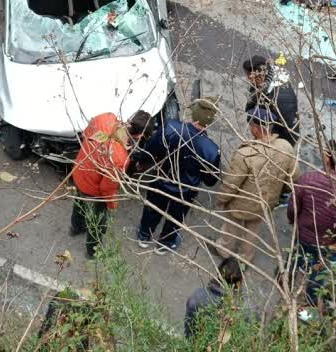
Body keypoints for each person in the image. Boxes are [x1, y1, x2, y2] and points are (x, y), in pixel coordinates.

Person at [136, 97, 222, 253]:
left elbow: (150, 150)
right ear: (210, 121)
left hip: (161, 179)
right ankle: (165, 243)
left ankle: (144, 236)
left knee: (152, 209)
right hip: (185, 190)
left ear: (194, 114)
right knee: (175, 218)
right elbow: (210, 180)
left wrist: (141, 163)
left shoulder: (170, 127)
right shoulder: (211, 149)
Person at [214, 107, 296, 262]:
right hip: (265, 202)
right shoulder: (286, 147)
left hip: (240, 204)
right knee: (253, 230)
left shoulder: (246, 154)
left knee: (231, 227)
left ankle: (224, 250)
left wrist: (221, 199)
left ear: (256, 128)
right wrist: (280, 194)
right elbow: (292, 179)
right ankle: (246, 257)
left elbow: (231, 184)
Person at [70, 111, 153, 258]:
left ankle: (76, 227)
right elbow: (106, 188)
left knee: (79, 201)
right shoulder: (120, 158)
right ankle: (92, 251)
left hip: (79, 169)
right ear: (140, 136)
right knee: (98, 220)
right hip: (93, 188)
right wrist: (112, 204)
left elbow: (86, 134)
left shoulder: (106, 118)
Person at [287, 164, 336, 270]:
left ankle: (287, 277)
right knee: (317, 269)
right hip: (326, 241)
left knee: (296, 258)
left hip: (303, 233)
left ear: (327, 156)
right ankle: (311, 285)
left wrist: (292, 220)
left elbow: (293, 207)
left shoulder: (307, 179)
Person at [242, 55, 299, 146]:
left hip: (285, 137)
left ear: (260, 76)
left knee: (251, 115)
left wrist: (252, 116)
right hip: (277, 121)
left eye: (251, 78)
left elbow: (278, 119)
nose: (250, 81)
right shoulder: (268, 77)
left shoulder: (279, 97)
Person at [184, 256, 244, 339]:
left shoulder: (197, 296)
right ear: (240, 282)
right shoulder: (243, 310)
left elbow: (188, 325)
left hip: (193, 343)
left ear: (218, 272)